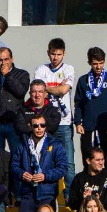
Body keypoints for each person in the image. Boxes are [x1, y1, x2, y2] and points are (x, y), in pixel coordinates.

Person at [13, 113, 70, 212]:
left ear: (46, 127)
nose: (39, 128)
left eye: (42, 125)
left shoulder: (55, 145)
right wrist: (22, 174)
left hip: (47, 193)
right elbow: (14, 166)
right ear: (30, 126)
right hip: (27, 193)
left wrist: (45, 176)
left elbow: (62, 168)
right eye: (36, 126)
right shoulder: (22, 145)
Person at [74, 47, 107, 163]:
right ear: (89, 63)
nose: (98, 67)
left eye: (101, 63)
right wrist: (77, 123)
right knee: (88, 158)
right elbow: (78, 103)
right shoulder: (83, 80)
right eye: (95, 63)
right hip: (88, 127)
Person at [34, 38, 77, 167]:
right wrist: (56, 88)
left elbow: (63, 90)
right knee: (45, 161)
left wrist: (46, 87)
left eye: (59, 54)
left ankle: (69, 188)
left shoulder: (69, 69)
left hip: (65, 122)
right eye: (53, 54)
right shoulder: (41, 69)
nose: (55, 58)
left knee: (68, 163)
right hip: (45, 121)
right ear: (48, 53)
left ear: (64, 53)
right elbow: (38, 91)